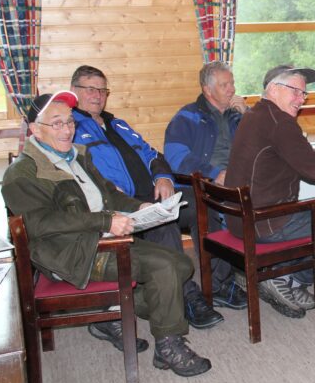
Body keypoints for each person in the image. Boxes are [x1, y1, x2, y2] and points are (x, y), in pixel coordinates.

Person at [2, 91, 212, 377]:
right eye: (57, 124)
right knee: (164, 268)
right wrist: (105, 221)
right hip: (73, 252)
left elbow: (109, 195)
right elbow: (39, 224)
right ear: (35, 130)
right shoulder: (22, 174)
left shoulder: (77, 156)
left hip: (106, 239)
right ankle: (168, 344)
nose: (67, 130)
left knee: (182, 264)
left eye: (70, 122)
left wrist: (141, 206)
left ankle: (111, 309)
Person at [70, 65, 234, 330]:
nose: (97, 95)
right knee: (164, 222)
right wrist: (107, 191)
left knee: (204, 201)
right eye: (90, 89)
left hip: (153, 191)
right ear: (73, 91)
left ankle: (220, 283)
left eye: (102, 90)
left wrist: (164, 177)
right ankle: (186, 295)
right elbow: (75, 173)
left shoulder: (118, 124)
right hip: (120, 206)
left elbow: (153, 154)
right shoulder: (70, 128)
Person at [225, 65, 315, 319]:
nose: (301, 99)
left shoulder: (257, 114)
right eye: (296, 92)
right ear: (274, 89)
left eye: (304, 94)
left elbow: (298, 154)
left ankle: (282, 276)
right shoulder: (280, 123)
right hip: (265, 220)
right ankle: (287, 277)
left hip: (240, 217)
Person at [164, 61, 249, 305]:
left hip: (240, 180)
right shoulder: (187, 117)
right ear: (207, 90)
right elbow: (175, 157)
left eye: (232, 83)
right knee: (210, 212)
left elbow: (266, 141)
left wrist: (248, 115)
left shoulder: (238, 114)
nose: (232, 89)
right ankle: (220, 284)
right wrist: (213, 173)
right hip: (204, 185)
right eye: (225, 85)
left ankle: (269, 272)